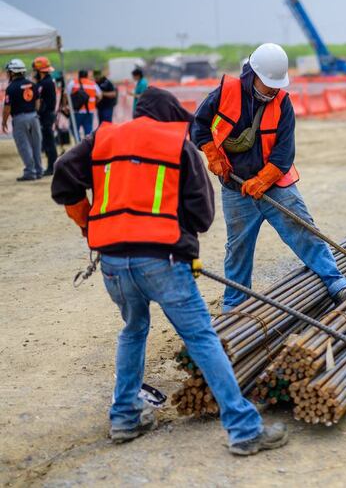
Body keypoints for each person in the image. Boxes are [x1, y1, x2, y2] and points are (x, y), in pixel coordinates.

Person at [50, 87, 288, 454]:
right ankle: (244, 430)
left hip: (113, 262)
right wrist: (179, 237)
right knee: (201, 338)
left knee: (133, 330)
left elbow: (63, 176)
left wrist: (89, 226)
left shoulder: (104, 138)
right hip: (163, 261)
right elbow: (202, 216)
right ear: (171, 116)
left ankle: (125, 418)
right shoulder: (177, 146)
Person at [191, 43, 346, 312]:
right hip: (236, 188)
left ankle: (336, 283)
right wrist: (211, 152)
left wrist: (263, 179)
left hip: (276, 185)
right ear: (252, 74)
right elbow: (198, 125)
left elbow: (283, 154)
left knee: (304, 230)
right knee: (238, 249)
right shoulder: (225, 94)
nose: (272, 89)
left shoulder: (283, 103)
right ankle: (234, 307)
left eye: (275, 84)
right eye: (268, 83)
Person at [2, 59, 43, 181]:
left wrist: (4, 122)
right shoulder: (32, 85)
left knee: (24, 145)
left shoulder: (11, 88)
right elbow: (37, 103)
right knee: (36, 145)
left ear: (13, 72)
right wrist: (33, 113)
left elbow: (7, 108)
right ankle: (39, 170)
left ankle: (30, 172)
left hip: (20, 118)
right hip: (34, 117)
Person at [33, 57, 58, 176]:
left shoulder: (45, 83)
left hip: (46, 115)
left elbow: (40, 100)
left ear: (39, 70)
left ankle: (52, 167)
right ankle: (51, 166)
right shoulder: (48, 81)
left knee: (49, 142)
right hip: (48, 114)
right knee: (48, 141)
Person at [67, 70, 102, 142]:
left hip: (76, 111)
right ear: (87, 75)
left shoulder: (73, 82)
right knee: (88, 131)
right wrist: (94, 103)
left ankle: (79, 144)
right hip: (89, 111)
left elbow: (66, 94)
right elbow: (99, 96)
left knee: (74, 129)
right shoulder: (93, 84)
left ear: (79, 75)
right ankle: (87, 147)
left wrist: (66, 105)